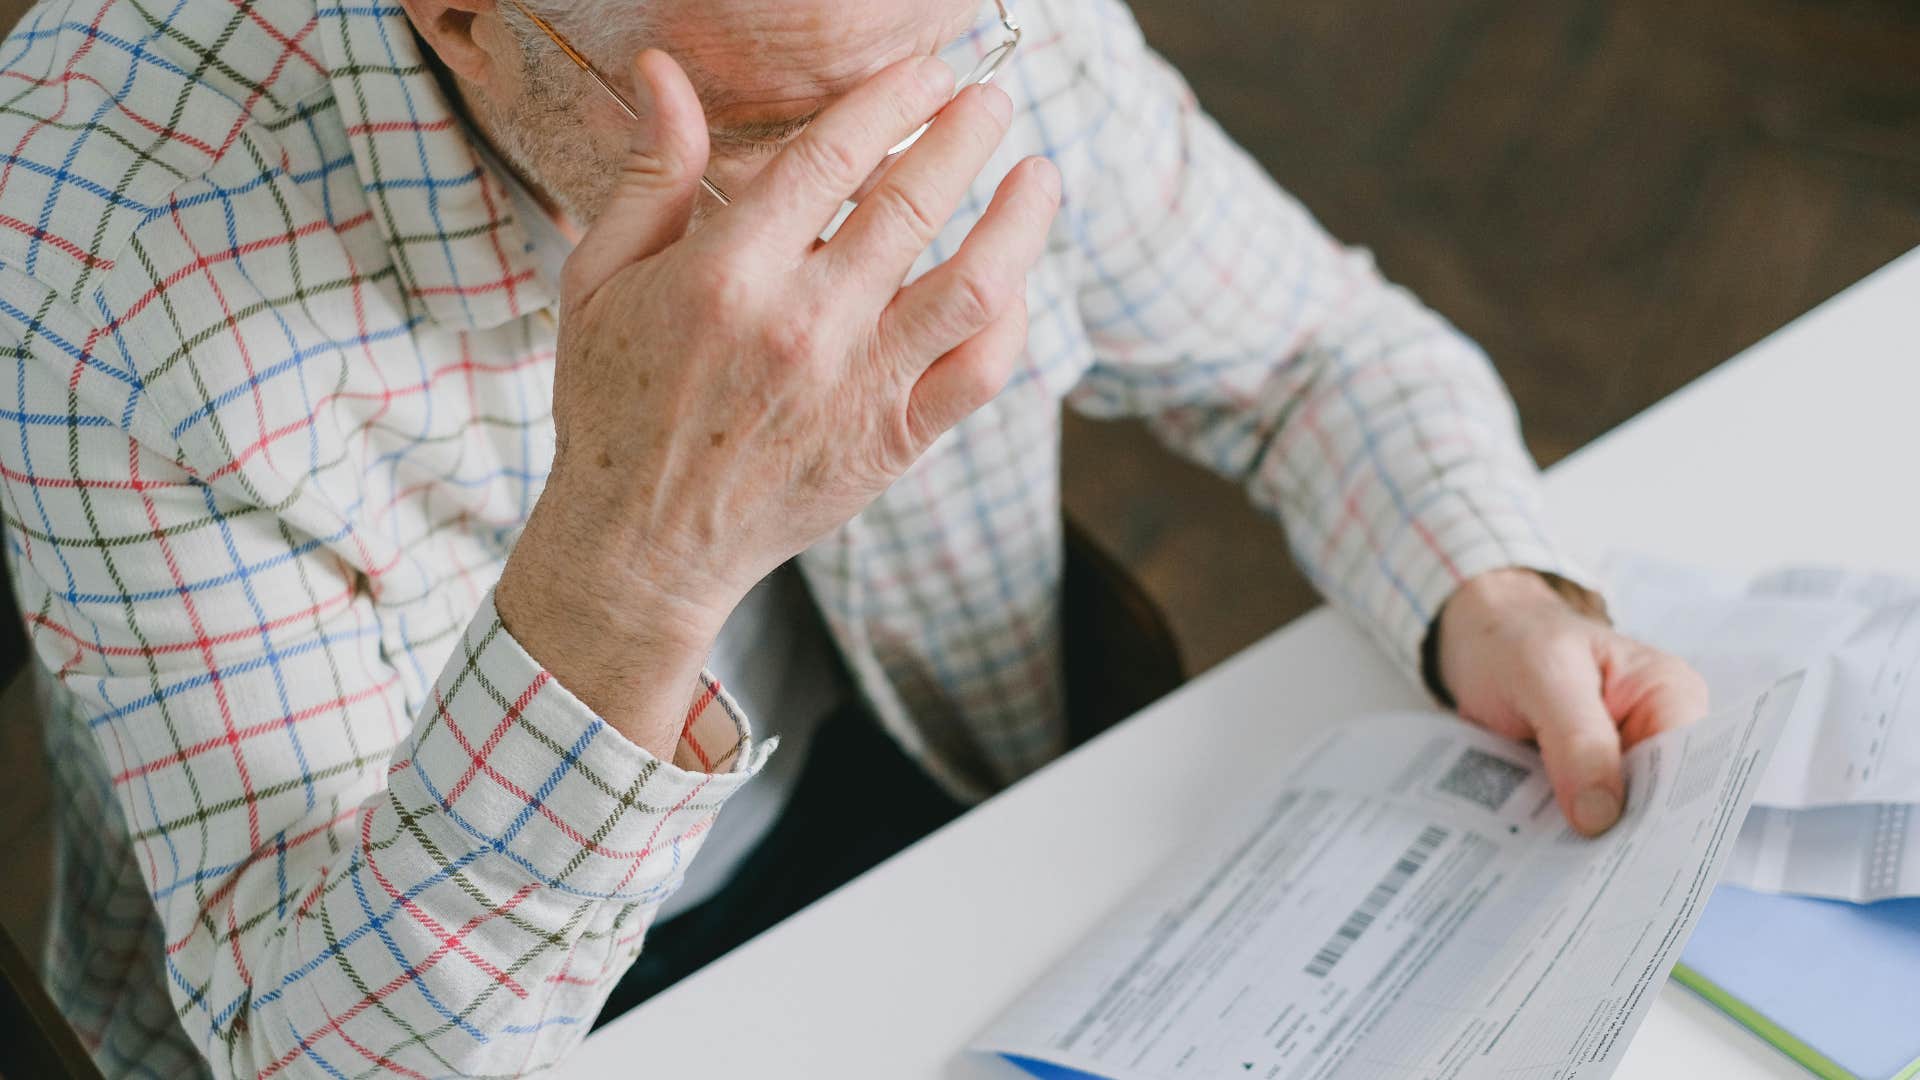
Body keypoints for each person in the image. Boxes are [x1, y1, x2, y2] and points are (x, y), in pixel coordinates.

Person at [0, 0, 1707, 1074]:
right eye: (775, 144)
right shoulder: (106, 251)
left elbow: (1314, 352)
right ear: (464, 22)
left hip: (918, 802)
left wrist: (1485, 585)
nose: (894, 195)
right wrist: (635, 558)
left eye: (928, 97)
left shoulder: (939, 32)